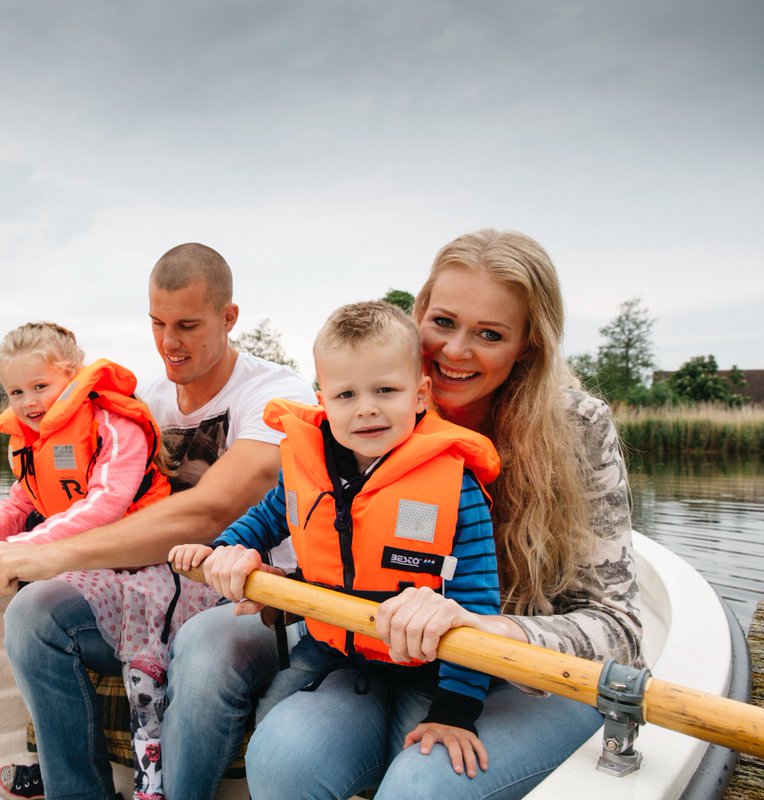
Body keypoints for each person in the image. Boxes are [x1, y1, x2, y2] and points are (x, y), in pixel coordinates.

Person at [218, 230, 643, 800]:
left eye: (489, 334)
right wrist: (280, 578)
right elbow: (318, 520)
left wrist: (488, 628)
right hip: (387, 663)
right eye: (442, 323)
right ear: (418, 316)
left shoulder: (578, 425)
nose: (455, 351)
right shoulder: (377, 402)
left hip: (521, 677)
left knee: (423, 786)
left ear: (528, 346)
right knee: (282, 756)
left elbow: (620, 632)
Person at [0, 243, 315, 800]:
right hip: (151, 592)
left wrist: (51, 554)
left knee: (203, 649)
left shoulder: (276, 395)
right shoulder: (143, 402)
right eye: (156, 323)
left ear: (229, 318)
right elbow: (76, 487)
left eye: (186, 325)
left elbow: (214, 509)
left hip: (252, 600)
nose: (168, 343)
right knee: (33, 613)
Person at [170, 300, 503, 787]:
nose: (366, 408)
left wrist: (455, 711)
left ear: (420, 395)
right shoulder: (309, 465)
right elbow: (266, 519)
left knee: (415, 767)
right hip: (333, 648)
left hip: (426, 668)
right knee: (272, 725)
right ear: (324, 401)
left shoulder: (457, 487)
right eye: (346, 394)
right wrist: (226, 547)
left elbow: (476, 599)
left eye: (385, 390)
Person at [0, 321, 215, 800]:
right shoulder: (32, 439)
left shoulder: (113, 423)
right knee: (28, 613)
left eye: (41, 386)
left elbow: (105, 504)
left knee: (35, 602)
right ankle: (77, 789)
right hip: (82, 571)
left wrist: (27, 549)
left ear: (72, 375)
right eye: (15, 391)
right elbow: (21, 504)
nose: (29, 402)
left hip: (145, 571)